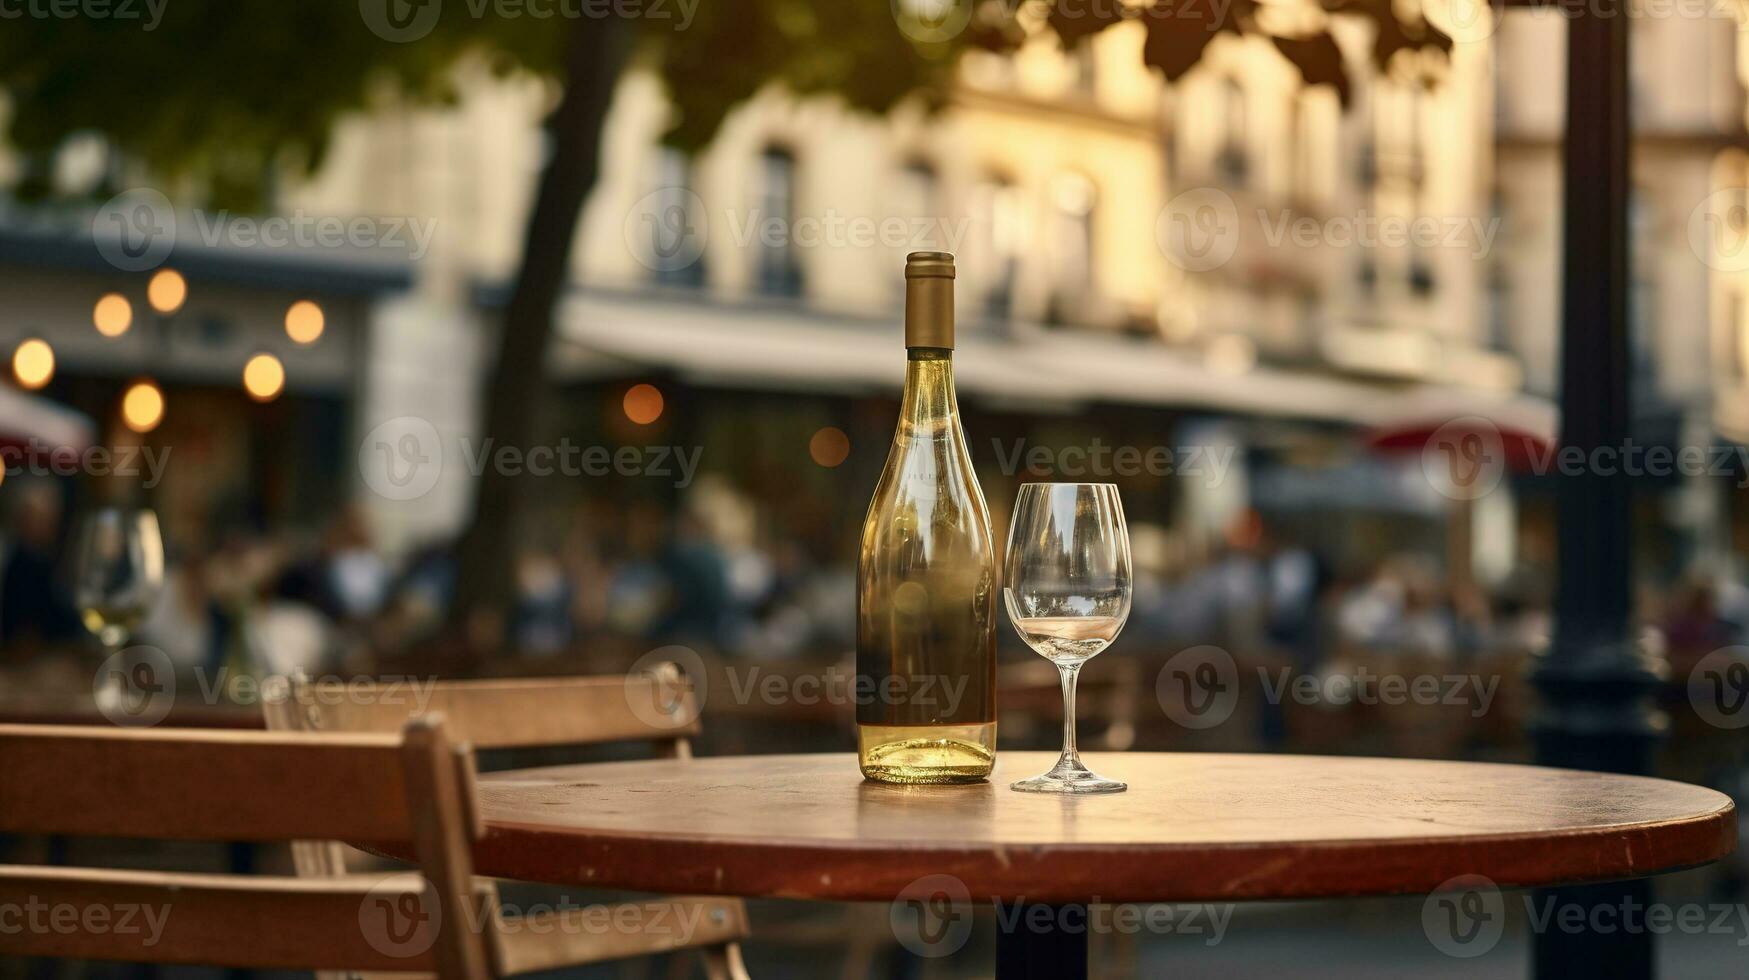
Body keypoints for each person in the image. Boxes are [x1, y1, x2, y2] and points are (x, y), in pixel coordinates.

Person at [0, 482, 83, 654]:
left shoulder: (55, 557)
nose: (44, 523)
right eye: (35, 516)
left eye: (48, 516)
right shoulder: (19, 562)